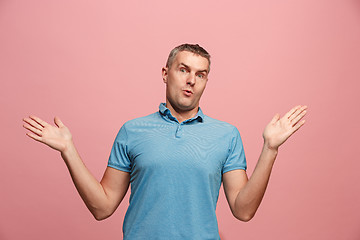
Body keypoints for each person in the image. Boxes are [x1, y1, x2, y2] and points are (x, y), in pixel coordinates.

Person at [23, 43, 307, 239]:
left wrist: (270, 149)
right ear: (165, 73)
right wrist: (68, 149)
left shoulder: (226, 135)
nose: (191, 80)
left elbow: (243, 210)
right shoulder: (132, 131)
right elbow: (102, 207)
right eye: (183, 69)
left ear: (207, 81)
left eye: (201, 74)